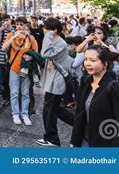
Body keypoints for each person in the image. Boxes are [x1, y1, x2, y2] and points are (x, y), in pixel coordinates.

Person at [70, 45, 119, 147]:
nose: (87, 63)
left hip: (104, 145)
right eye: (86, 59)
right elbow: (79, 114)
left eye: (93, 60)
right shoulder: (85, 81)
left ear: (105, 64)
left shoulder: (115, 88)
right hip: (84, 141)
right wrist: (74, 140)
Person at [36, 18, 75, 147]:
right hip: (52, 81)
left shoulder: (60, 43)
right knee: (54, 109)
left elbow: (45, 53)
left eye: (46, 28)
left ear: (54, 30)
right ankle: (80, 123)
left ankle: (52, 139)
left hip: (57, 82)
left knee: (48, 111)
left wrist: (48, 36)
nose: (43, 29)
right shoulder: (55, 41)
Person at [2, 16, 38, 125]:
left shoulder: (31, 38)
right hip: (14, 69)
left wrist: (31, 57)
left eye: (21, 24)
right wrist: (13, 37)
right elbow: (4, 48)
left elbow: (36, 53)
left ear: (26, 25)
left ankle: (25, 114)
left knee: (25, 93)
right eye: (17, 24)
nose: (19, 26)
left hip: (26, 69)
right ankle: (15, 114)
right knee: (14, 93)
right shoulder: (10, 35)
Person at [0, 14, 15, 104]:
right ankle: (5, 97)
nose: (6, 22)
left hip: (11, 57)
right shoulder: (2, 30)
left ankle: (12, 97)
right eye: (4, 20)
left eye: (7, 20)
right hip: (1, 57)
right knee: (3, 79)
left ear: (10, 20)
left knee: (12, 78)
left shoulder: (14, 31)